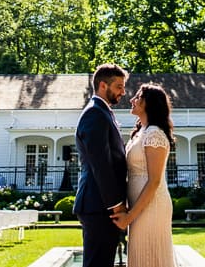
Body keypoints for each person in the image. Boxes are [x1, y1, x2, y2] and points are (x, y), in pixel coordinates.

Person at [111, 83, 176, 267]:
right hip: (139, 208)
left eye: (137, 97)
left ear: (149, 103)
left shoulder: (154, 134)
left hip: (152, 207)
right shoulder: (141, 133)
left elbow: (154, 181)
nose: (131, 100)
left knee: (150, 258)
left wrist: (129, 217)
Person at [75, 63, 129, 267]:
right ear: (103, 86)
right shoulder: (94, 113)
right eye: (119, 86)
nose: (123, 92)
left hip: (101, 205)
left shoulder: (103, 112)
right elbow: (101, 164)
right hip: (98, 206)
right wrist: (116, 205)